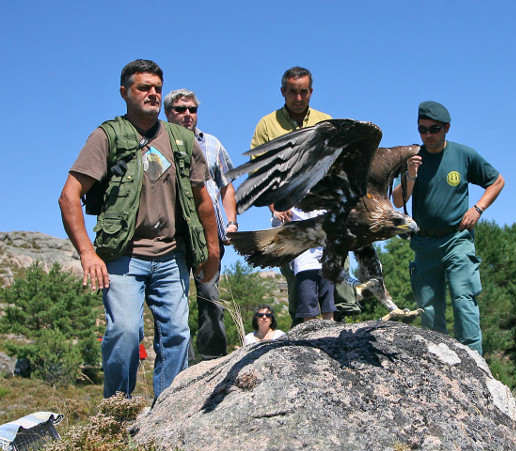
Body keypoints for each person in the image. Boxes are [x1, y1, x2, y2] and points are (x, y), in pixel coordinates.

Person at [58, 59, 220, 400]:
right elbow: (69, 196)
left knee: (177, 335)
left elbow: (202, 199)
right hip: (122, 258)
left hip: (172, 255)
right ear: (124, 92)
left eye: (158, 88)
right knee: (125, 332)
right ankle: (117, 412)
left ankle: (165, 414)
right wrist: (88, 253)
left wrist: (212, 250)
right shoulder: (107, 137)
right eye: (144, 87)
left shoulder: (181, 139)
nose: (153, 94)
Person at [391, 101, 505, 354]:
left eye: (435, 129)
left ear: (447, 128)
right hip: (425, 244)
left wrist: (478, 209)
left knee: (464, 299)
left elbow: (497, 181)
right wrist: (410, 174)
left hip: (457, 240)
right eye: (423, 129)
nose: (428, 135)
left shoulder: (463, 155)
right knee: (429, 308)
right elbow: (398, 201)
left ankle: (475, 363)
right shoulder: (413, 158)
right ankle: (439, 364)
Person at [250, 66, 359, 324]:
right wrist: (274, 205)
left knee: (335, 272)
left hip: (323, 209)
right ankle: (303, 333)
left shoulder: (326, 121)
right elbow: (259, 171)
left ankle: (338, 328)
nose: (298, 98)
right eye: (292, 92)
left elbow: (339, 166)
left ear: (311, 92)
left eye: (303, 92)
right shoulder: (267, 124)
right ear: (283, 92)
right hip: (288, 211)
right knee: (299, 278)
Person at [165, 88, 237, 360]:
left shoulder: (212, 144)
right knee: (174, 300)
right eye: (180, 110)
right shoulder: (158, 143)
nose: (187, 115)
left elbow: (227, 185)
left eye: (191, 110)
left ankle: (212, 362)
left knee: (209, 295)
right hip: (172, 233)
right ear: (168, 113)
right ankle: (179, 366)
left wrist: (231, 222)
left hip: (209, 235)